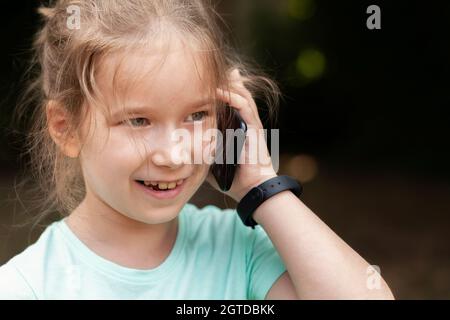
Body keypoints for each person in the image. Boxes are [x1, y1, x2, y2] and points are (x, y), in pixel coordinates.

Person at [0, 0, 394, 300]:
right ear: (66, 129)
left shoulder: (240, 248)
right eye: (138, 121)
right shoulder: (28, 286)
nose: (174, 155)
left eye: (196, 115)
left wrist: (262, 185)